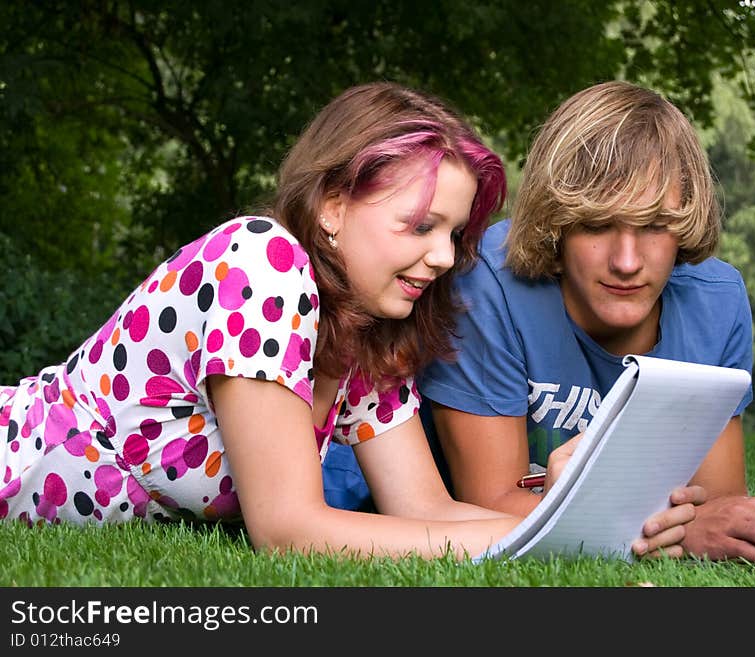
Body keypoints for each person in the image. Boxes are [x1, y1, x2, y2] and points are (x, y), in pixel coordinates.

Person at [0, 81, 696, 561]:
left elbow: (426, 507)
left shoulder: (370, 330)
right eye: (421, 225)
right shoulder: (261, 261)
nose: (442, 256)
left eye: (453, 233)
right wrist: (505, 543)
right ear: (332, 205)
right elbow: (288, 528)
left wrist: (572, 514)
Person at [417, 80, 755, 564]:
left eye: (655, 225)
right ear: (557, 224)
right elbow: (489, 504)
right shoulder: (486, 282)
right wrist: (677, 536)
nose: (627, 261)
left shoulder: (717, 301)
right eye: (596, 224)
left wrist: (707, 522)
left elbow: (715, 505)